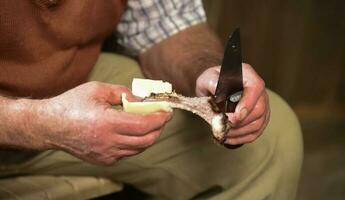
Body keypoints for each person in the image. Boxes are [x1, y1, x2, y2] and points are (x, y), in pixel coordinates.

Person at [0, 0, 303, 199]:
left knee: (270, 141)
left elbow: (163, 22)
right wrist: (38, 123)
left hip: (71, 82)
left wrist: (205, 69)